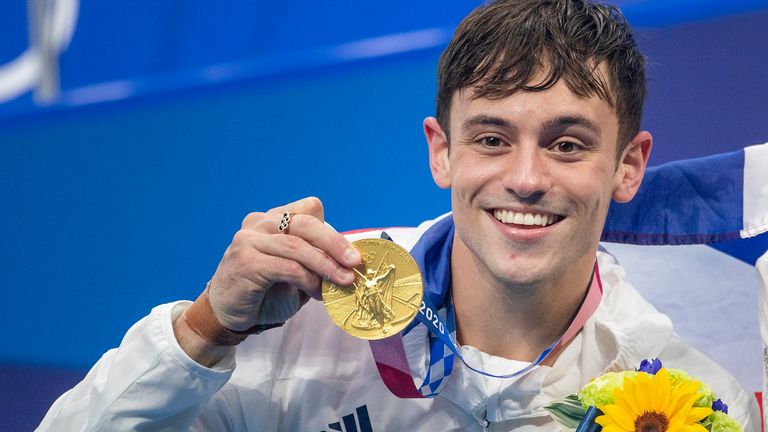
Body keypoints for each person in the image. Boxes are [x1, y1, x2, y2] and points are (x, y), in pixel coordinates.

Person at [39, 0, 761, 430]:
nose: (527, 178)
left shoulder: (684, 400)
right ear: (440, 152)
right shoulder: (303, 321)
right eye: (491, 138)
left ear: (627, 166)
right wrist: (205, 329)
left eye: (567, 144)